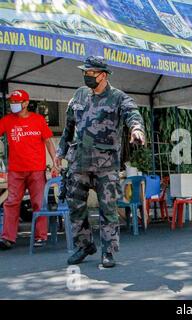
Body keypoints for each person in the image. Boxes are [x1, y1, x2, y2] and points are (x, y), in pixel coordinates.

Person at [55, 56, 145, 268]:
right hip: (79, 163)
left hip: (106, 165)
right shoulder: (79, 95)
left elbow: (133, 113)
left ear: (103, 75)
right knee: (75, 206)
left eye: (90, 73)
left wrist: (137, 129)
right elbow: (69, 127)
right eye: (84, 73)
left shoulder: (118, 97)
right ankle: (84, 245)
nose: (86, 76)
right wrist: (61, 151)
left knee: (108, 209)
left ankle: (108, 251)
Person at [0, 89, 58, 250]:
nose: (13, 105)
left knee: (39, 203)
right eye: (11, 102)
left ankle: (41, 236)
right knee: (11, 203)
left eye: (17, 102)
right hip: (15, 170)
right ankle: (7, 238)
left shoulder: (38, 120)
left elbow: (48, 142)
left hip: (36, 170)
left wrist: (55, 162)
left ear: (26, 103)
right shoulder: (7, 120)